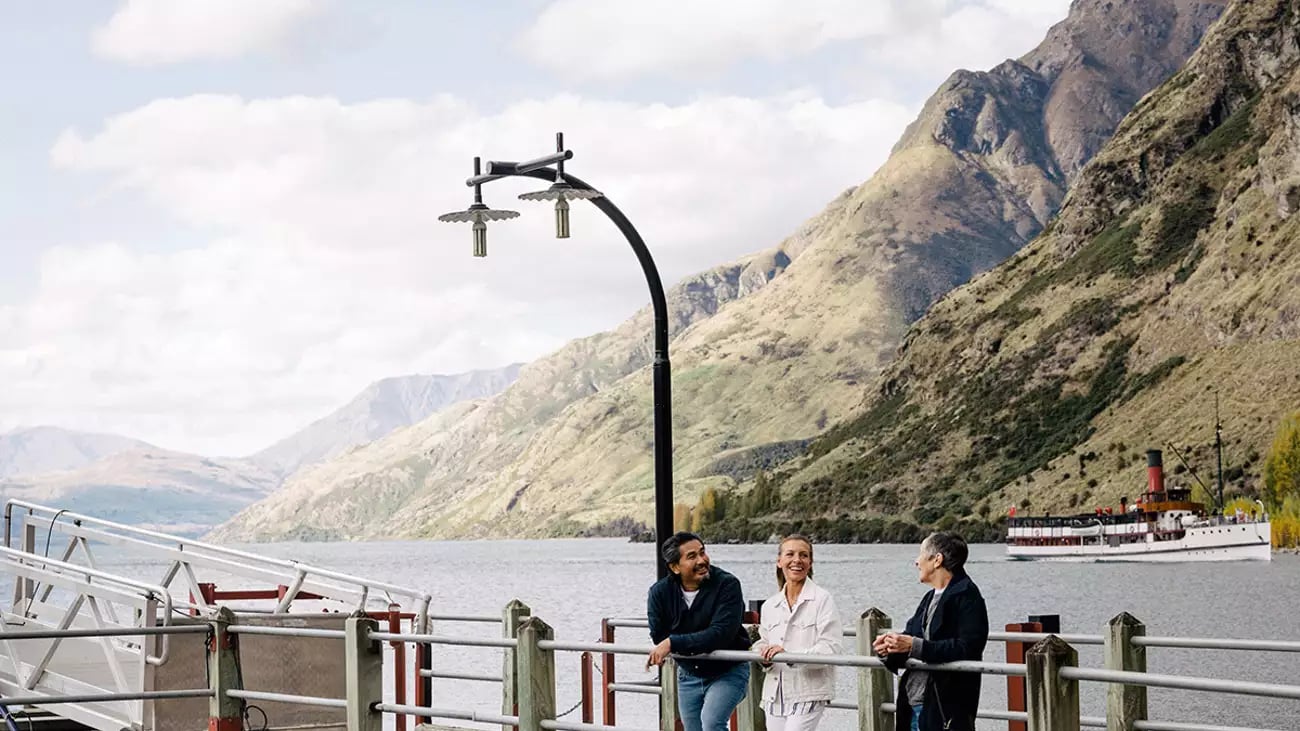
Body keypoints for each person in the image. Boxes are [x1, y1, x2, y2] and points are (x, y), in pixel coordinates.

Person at [873, 532, 988, 731]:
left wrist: (914, 645)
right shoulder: (928, 599)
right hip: (913, 704)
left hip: (944, 707)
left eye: (920, 554)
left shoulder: (968, 596)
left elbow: (968, 646)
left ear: (937, 560)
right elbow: (910, 639)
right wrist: (888, 650)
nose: (916, 561)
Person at [646, 532, 752, 731]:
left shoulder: (727, 585)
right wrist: (687, 641)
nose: (702, 560)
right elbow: (659, 635)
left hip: (728, 671)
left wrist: (674, 642)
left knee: (712, 723)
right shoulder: (659, 593)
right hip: (688, 674)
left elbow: (721, 634)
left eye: (702, 552)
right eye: (692, 556)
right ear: (675, 567)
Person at [752, 534, 841, 731]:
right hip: (774, 694)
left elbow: (831, 648)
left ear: (810, 562)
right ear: (779, 561)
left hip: (808, 691)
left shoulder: (822, 599)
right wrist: (763, 655)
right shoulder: (770, 605)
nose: (797, 560)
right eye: (790, 554)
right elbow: (762, 641)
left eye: (804, 555)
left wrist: (789, 656)